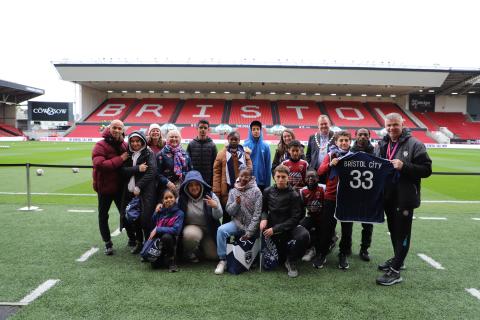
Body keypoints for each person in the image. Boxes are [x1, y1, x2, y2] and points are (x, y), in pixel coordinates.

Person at [375, 113, 432, 286]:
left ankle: (396, 271)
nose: (392, 128)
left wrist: (404, 166)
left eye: (395, 125)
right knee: (394, 230)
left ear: (403, 124)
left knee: (402, 233)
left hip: (405, 198)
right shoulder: (382, 143)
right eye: (389, 125)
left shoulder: (415, 144)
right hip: (388, 196)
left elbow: (426, 170)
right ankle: (398, 259)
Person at [260, 165, 310, 278]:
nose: (281, 180)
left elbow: (295, 219)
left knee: (304, 235)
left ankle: (291, 261)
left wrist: (275, 229)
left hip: (287, 227)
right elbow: (263, 210)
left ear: (288, 178)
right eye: (278, 177)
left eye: (283, 177)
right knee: (274, 262)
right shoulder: (267, 191)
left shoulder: (294, 195)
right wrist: (263, 219)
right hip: (271, 226)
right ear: (274, 177)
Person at [313, 131, 352, 270]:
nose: (343, 142)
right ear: (336, 142)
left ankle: (343, 254)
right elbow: (319, 171)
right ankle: (322, 254)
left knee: (347, 229)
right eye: (341, 140)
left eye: (346, 140)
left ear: (350, 142)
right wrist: (330, 164)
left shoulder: (354, 157)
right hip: (331, 196)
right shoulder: (331, 155)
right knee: (327, 227)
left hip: (348, 198)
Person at [214, 166, 262, 275]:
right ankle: (223, 260)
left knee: (254, 242)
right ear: (238, 177)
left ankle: (254, 259)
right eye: (242, 176)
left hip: (252, 226)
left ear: (251, 177)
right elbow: (229, 211)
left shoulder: (257, 191)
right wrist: (236, 204)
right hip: (237, 223)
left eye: (247, 176)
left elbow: (257, 214)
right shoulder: (233, 191)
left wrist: (250, 231)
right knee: (221, 230)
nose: (244, 178)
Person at [92, 119, 129, 255]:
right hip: (105, 187)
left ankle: (132, 239)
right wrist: (120, 159)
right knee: (103, 216)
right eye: (115, 128)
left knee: (126, 215)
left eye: (120, 128)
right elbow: (100, 164)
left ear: (123, 131)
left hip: (120, 188)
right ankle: (107, 242)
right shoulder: (100, 145)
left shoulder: (124, 145)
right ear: (110, 128)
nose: (117, 131)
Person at [120, 131, 157, 254]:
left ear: (142, 141)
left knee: (145, 219)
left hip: (145, 192)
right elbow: (123, 171)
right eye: (133, 141)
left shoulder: (148, 153)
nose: (135, 143)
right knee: (134, 218)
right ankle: (139, 243)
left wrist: (139, 186)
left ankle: (148, 245)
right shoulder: (129, 155)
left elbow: (151, 172)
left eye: (138, 141)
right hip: (130, 192)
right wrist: (137, 168)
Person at [178, 170, 223, 263]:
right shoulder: (182, 198)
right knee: (191, 236)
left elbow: (218, 215)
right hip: (192, 228)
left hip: (208, 229)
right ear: (187, 187)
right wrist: (161, 206)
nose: (194, 187)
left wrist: (215, 207)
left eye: (196, 184)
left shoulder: (210, 195)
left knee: (213, 256)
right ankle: (189, 251)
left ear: (201, 184)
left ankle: (201, 247)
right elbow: (172, 211)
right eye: (191, 185)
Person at [212, 130, 252, 223]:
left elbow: (250, 170)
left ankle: (239, 237)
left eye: (236, 139)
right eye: (231, 139)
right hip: (226, 189)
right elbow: (216, 173)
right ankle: (225, 237)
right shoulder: (222, 154)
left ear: (239, 140)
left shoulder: (244, 154)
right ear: (228, 140)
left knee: (240, 215)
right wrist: (217, 190)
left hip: (241, 189)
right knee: (227, 215)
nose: (233, 141)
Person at [350, 128, 375, 261]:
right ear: (356, 136)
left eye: (366, 134)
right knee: (347, 221)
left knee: (367, 223)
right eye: (360, 134)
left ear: (369, 136)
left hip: (368, 193)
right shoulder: (349, 151)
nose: (363, 137)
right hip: (351, 192)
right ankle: (346, 247)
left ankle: (364, 249)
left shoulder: (375, 152)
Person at [149, 189, 184, 272]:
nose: (169, 199)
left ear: (175, 198)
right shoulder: (160, 211)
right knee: (155, 266)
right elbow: (152, 223)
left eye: (171, 197)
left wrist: (158, 229)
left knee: (166, 237)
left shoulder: (179, 213)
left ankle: (172, 260)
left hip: (171, 241)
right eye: (166, 198)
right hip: (158, 241)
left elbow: (176, 230)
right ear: (162, 200)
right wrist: (155, 212)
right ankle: (161, 256)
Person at [299, 169, 325, 262]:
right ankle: (308, 247)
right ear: (305, 179)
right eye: (308, 177)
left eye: (312, 176)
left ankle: (330, 241)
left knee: (324, 232)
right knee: (300, 228)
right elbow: (301, 207)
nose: (310, 178)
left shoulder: (323, 188)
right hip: (310, 216)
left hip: (322, 217)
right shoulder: (303, 191)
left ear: (317, 178)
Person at [156, 129, 192, 196]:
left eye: (176, 137)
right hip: (167, 189)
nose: (174, 139)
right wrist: (167, 182)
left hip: (183, 188)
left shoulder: (185, 153)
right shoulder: (161, 154)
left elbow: (190, 170)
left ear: (180, 139)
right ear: (167, 139)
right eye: (171, 137)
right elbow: (157, 173)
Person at [186, 119, 218, 186]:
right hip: (194, 178)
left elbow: (215, 164)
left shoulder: (212, 145)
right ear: (197, 128)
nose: (203, 130)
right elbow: (187, 163)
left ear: (208, 129)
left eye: (205, 128)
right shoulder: (191, 144)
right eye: (201, 127)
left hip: (208, 179)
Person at [243, 120, 271, 192]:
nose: (256, 131)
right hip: (248, 180)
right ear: (250, 131)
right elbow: (243, 164)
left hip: (261, 181)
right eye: (253, 129)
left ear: (261, 131)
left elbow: (268, 166)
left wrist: (267, 184)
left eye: (258, 129)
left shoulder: (266, 146)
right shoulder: (245, 145)